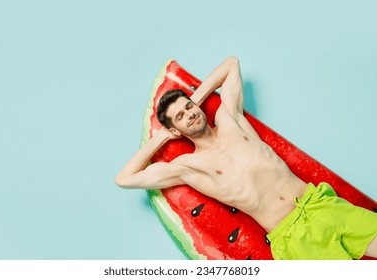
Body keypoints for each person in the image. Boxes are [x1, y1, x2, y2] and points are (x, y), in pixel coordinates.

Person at [115, 56, 377, 260]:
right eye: (181, 117)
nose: (190, 114)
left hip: (319, 203)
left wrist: (192, 98)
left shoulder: (230, 119)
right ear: (175, 129)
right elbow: (125, 178)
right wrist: (162, 137)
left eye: (189, 108)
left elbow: (231, 64)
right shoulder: (189, 166)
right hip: (293, 235)